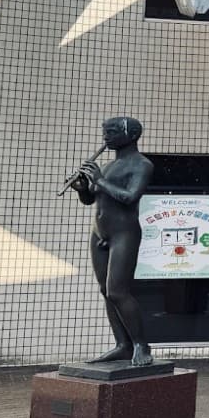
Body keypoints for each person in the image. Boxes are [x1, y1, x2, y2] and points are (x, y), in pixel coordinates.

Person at [69, 116, 155, 366]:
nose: (106, 136)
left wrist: (99, 180)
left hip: (124, 233)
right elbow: (92, 200)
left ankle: (141, 345)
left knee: (118, 290)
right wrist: (83, 188)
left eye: (112, 131)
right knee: (106, 292)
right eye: (105, 131)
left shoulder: (141, 164)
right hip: (100, 233)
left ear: (131, 135)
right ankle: (122, 344)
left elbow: (129, 197)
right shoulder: (106, 166)